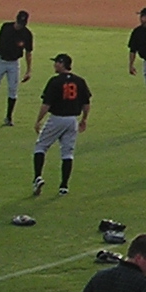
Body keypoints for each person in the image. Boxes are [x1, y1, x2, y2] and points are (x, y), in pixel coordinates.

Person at [30, 52, 90, 196]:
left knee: (41, 146)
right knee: (67, 153)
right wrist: (84, 119)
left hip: (57, 119)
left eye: (56, 62)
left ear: (62, 64)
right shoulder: (80, 81)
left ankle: (37, 177)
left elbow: (46, 104)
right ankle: (64, 186)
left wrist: (38, 120)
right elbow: (86, 103)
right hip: (72, 121)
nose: (54, 65)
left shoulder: (55, 81)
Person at [0, 10, 35, 126]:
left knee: (13, 90)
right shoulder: (6, 27)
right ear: (16, 19)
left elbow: (28, 52)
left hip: (13, 63)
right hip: (0, 61)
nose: (20, 25)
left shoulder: (27, 34)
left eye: (23, 23)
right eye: (19, 23)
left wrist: (29, 70)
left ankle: (9, 117)